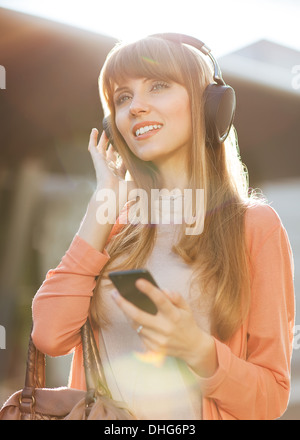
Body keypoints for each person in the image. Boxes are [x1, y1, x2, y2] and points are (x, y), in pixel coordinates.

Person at [31, 34, 295, 420]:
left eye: (158, 86)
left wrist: (197, 349)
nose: (136, 106)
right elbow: (49, 335)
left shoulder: (255, 227)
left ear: (210, 107)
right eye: (123, 97)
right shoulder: (116, 225)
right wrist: (104, 199)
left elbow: (271, 399)